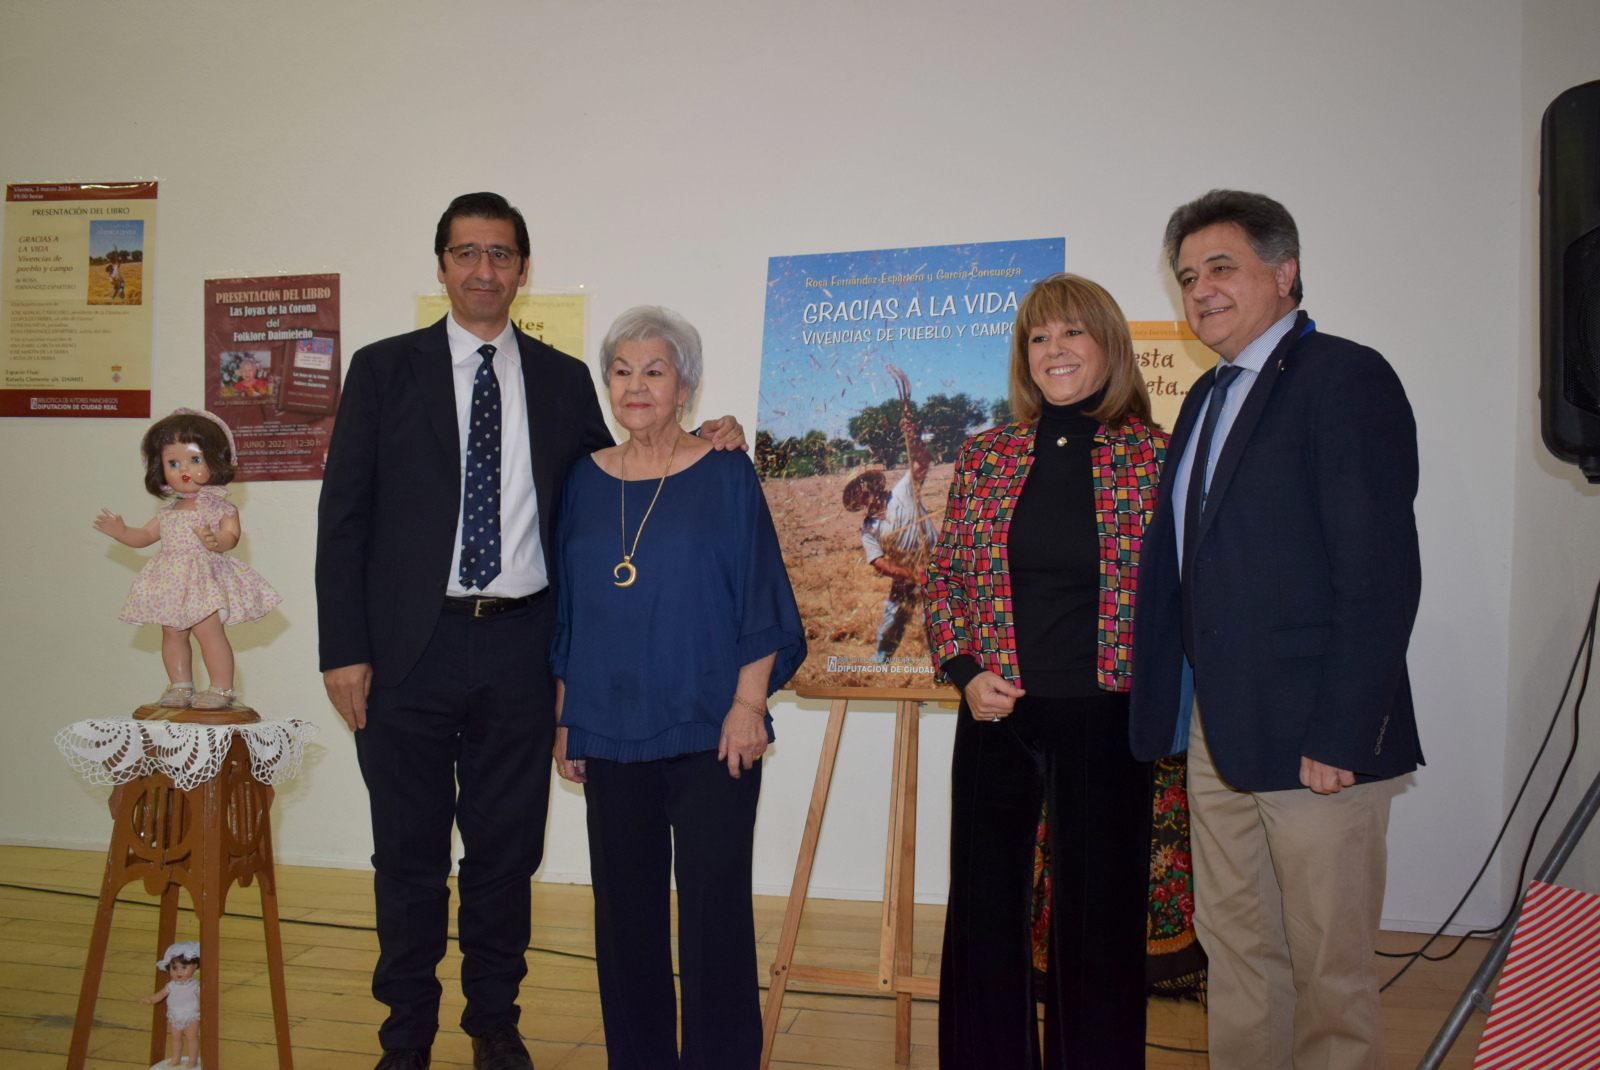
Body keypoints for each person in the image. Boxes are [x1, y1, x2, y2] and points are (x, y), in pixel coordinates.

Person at [315, 193, 747, 1070]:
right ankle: (405, 1038)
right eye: (466, 253)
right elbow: (344, 520)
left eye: (501, 255)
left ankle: (493, 1024)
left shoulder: (558, 380)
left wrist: (705, 433)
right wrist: (343, 649)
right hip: (406, 651)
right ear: (440, 265)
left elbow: (622, 467)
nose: (484, 270)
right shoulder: (381, 370)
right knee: (406, 851)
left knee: (505, 854)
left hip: (520, 648)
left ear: (523, 270)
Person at [1129, 189, 1423, 1070]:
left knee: (1330, 972)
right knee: (1239, 955)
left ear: (1284, 271)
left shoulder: (1344, 376)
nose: (1201, 291)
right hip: (1220, 736)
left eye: (1221, 267)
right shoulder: (1206, 401)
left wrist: (1342, 731)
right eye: (1187, 277)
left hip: (1316, 744)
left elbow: (1378, 575)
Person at [550, 305, 805, 1069]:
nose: (636, 386)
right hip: (610, 726)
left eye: (654, 370)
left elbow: (761, 593)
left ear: (685, 385)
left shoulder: (726, 472)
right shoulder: (582, 481)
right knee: (623, 922)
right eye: (622, 371)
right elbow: (569, 606)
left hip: (713, 729)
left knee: (713, 920)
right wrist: (568, 717)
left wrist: (749, 705)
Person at [924, 273, 1167, 1069]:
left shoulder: (1153, 457)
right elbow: (950, 578)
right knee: (984, 918)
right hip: (997, 715)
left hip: (1106, 718)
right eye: (1038, 338)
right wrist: (964, 673)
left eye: (1072, 334)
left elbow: (1182, 594)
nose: (1054, 351)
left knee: (1096, 929)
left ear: (1108, 345)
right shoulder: (989, 455)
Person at [94, 408, 280, 710]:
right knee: (172, 633)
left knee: (209, 633)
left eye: (195, 460)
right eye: (173, 462)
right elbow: (143, 537)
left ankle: (221, 688)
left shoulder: (219, 507)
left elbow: (230, 538)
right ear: (159, 468)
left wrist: (214, 540)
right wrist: (121, 531)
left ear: (215, 460)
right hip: (170, 580)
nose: (184, 469)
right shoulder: (167, 513)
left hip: (202, 578)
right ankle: (181, 686)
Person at [841, 414, 937, 663]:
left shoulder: (902, 491)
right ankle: (880, 662)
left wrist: (912, 436)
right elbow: (879, 563)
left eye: (862, 486)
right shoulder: (868, 528)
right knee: (891, 622)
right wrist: (912, 575)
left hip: (939, 564)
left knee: (936, 620)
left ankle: (946, 665)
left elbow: (922, 460)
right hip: (906, 575)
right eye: (856, 493)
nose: (862, 493)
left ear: (872, 484)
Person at [143, 941, 202, 1068]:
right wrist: (152, 1000)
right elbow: (162, 993)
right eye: (174, 968)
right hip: (175, 1014)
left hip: (191, 1014)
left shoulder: (194, 985)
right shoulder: (171, 985)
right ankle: (176, 1057)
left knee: (191, 1037)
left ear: (195, 966)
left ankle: (193, 1059)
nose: (179, 972)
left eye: (184, 967)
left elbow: (201, 997)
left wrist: (202, 1006)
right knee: (176, 1037)